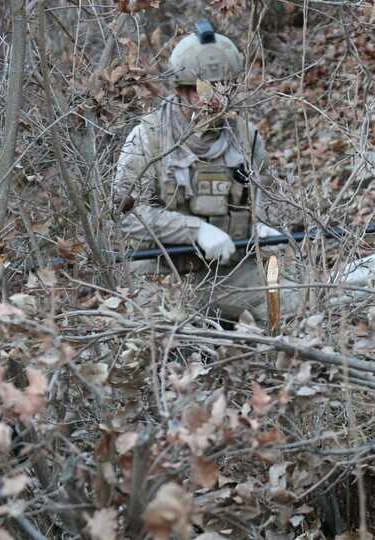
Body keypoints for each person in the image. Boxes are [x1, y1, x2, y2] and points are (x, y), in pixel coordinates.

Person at [112, 21, 297, 324]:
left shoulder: (246, 138)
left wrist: (262, 230)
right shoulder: (148, 137)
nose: (215, 98)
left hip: (233, 273)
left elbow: (265, 200)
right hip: (162, 275)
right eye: (203, 90)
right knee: (158, 343)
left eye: (225, 87)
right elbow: (125, 215)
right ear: (182, 90)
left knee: (290, 308)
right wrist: (195, 231)